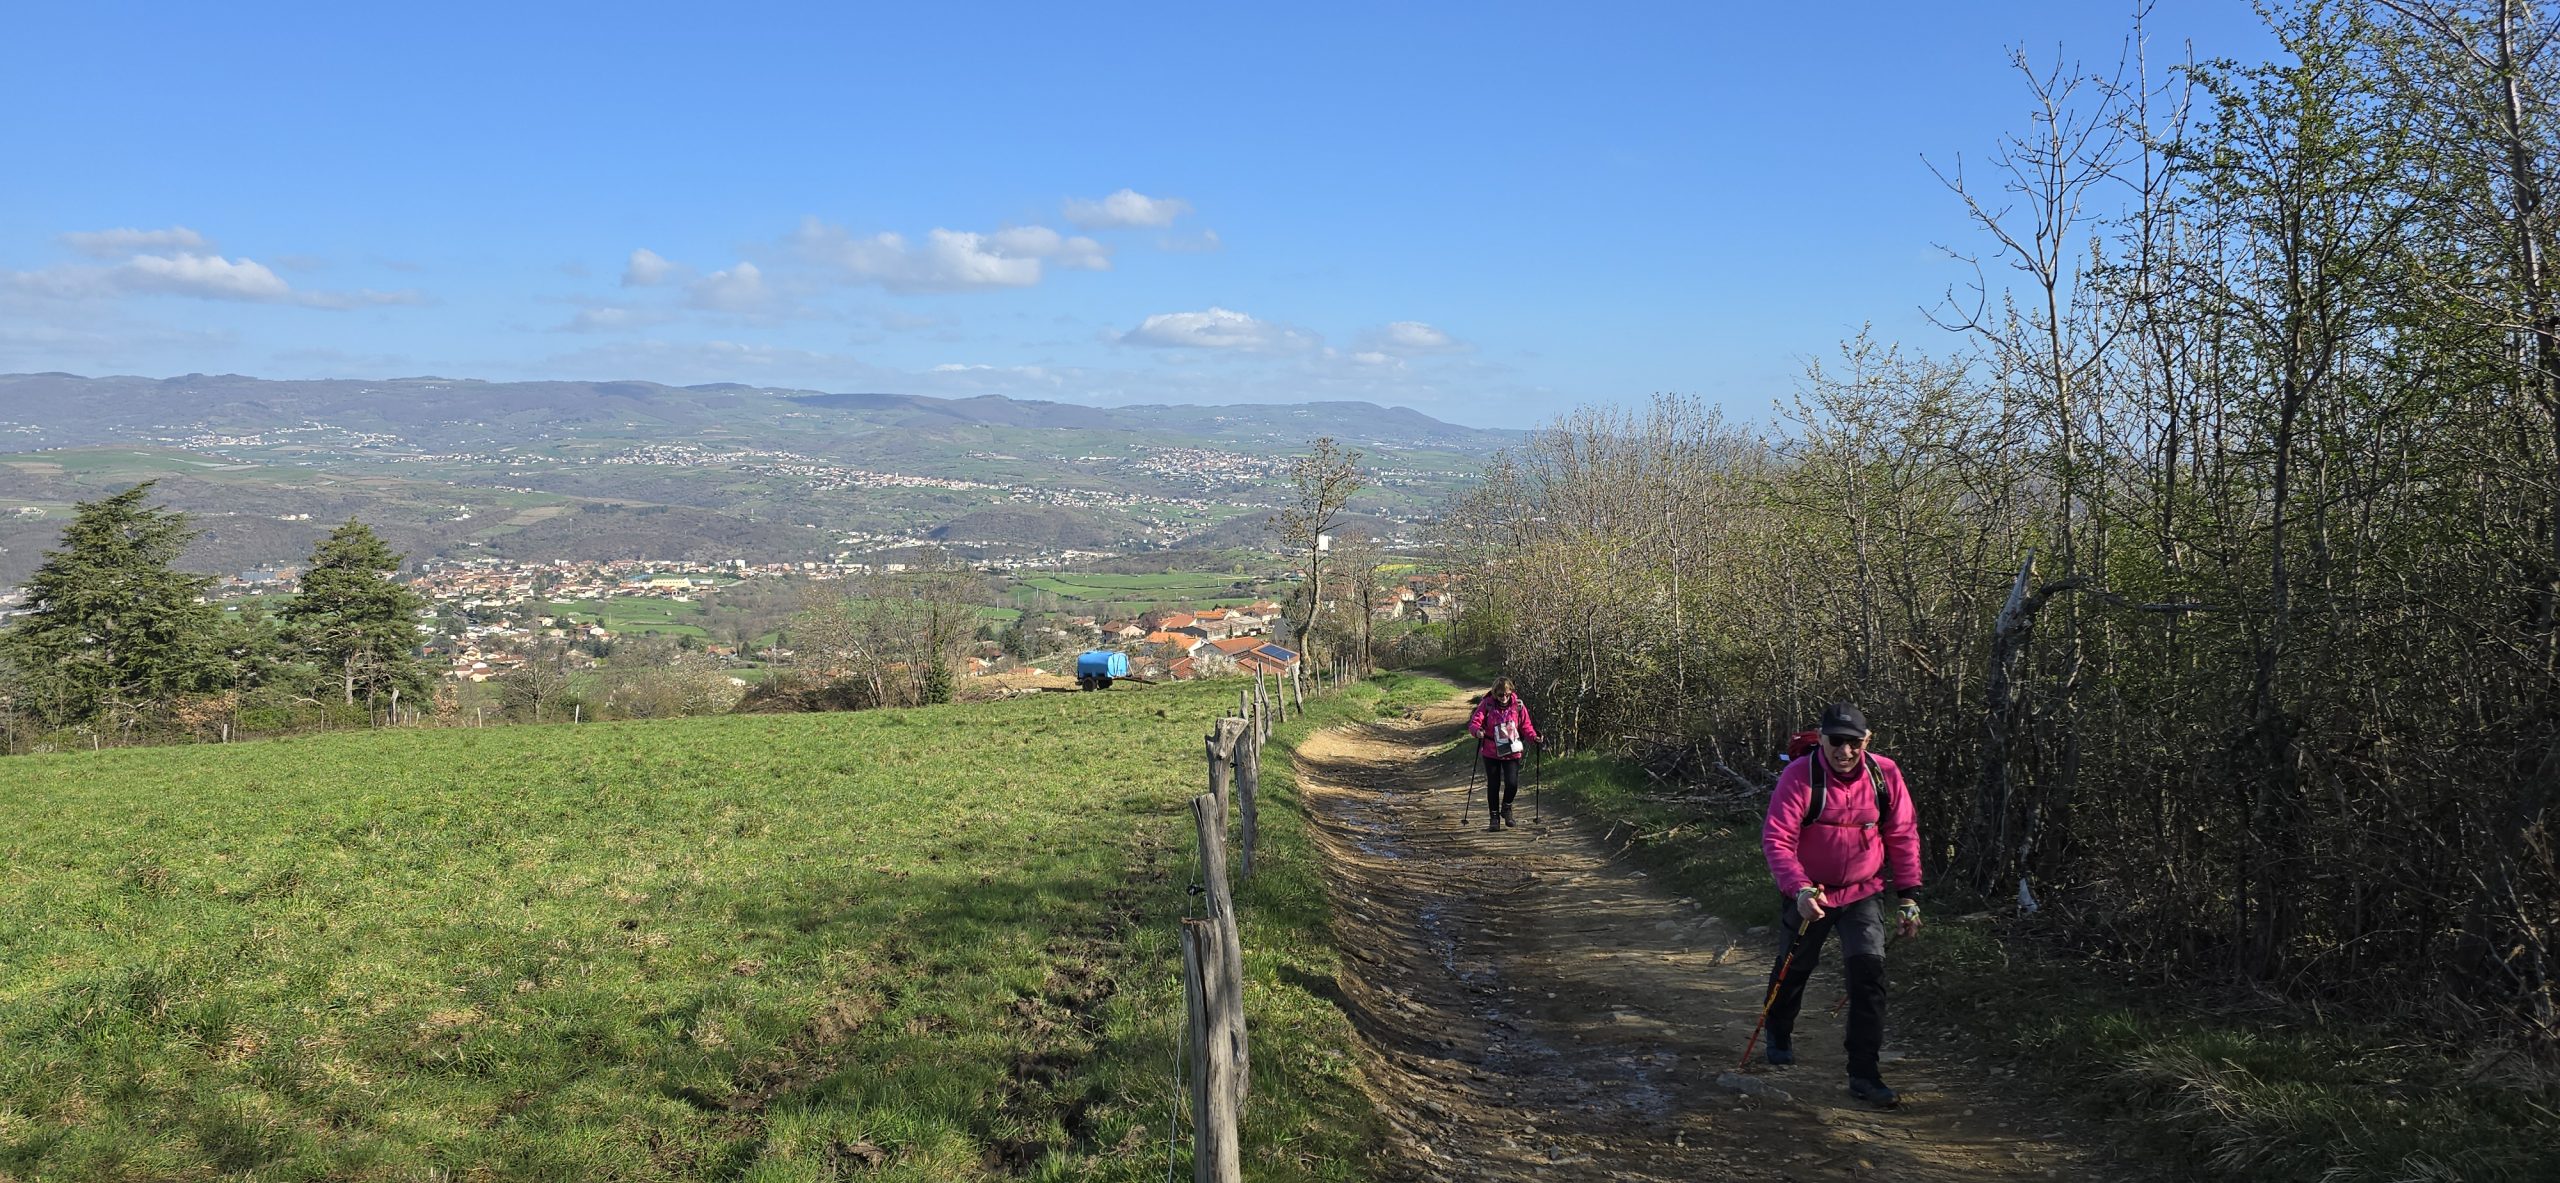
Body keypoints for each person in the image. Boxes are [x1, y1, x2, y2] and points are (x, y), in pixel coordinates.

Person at [1759, 700, 1923, 1106]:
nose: (1844, 752)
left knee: (1869, 978)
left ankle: (1864, 1073)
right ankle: (1779, 1030)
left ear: (1866, 740)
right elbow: (1777, 840)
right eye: (1836, 741)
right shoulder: (1800, 775)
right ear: (1822, 738)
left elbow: (1902, 835)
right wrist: (1798, 889)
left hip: (1864, 892)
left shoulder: (1884, 774)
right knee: (1794, 968)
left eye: (1853, 743)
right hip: (1809, 893)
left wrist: (1909, 898)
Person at [1466, 678, 1541, 831]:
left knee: (1512, 783)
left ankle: (1506, 808)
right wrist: (1477, 731)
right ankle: (1494, 817)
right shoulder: (1486, 704)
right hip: (1491, 751)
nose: (1504, 697)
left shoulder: (1518, 706)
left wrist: (1534, 738)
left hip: (1512, 750)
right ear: (1495, 694)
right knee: (1493, 784)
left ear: (1511, 692)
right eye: (1500, 695)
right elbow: (1475, 723)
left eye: (1507, 694)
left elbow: (1526, 726)